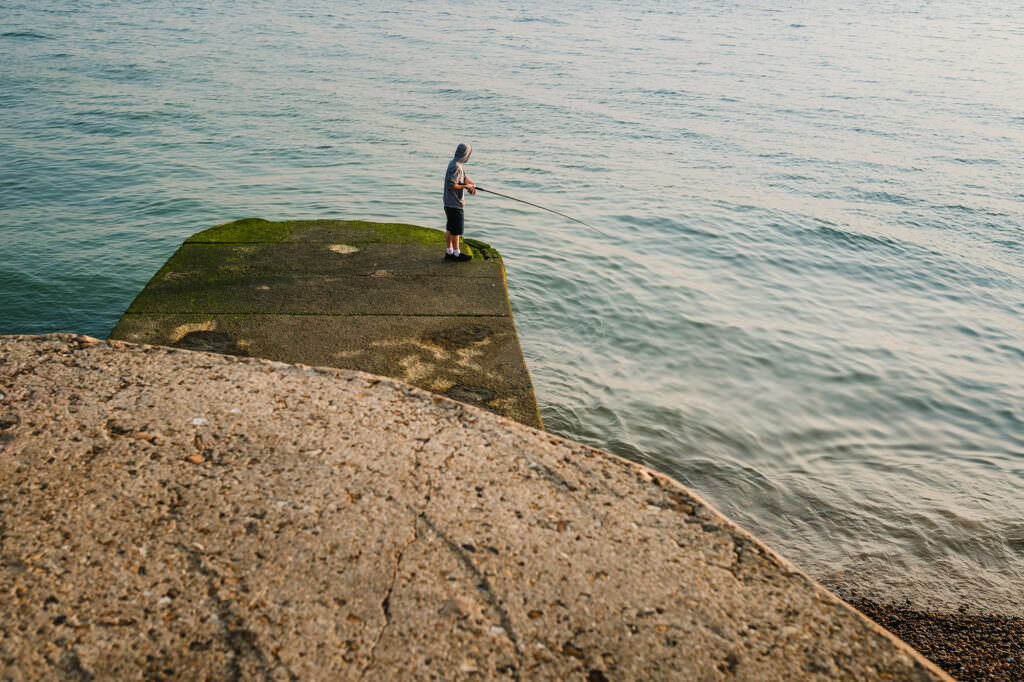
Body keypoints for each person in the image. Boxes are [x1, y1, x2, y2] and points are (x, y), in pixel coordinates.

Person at [443, 143, 476, 261]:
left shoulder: (456, 164)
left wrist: (472, 185)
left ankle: (449, 251)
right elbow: (452, 185)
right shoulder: (456, 167)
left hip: (448, 202)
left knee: (450, 227)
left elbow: (464, 178)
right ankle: (456, 254)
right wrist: (466, 187)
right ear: (465, 154)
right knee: (456, 230)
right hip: (454, 203)